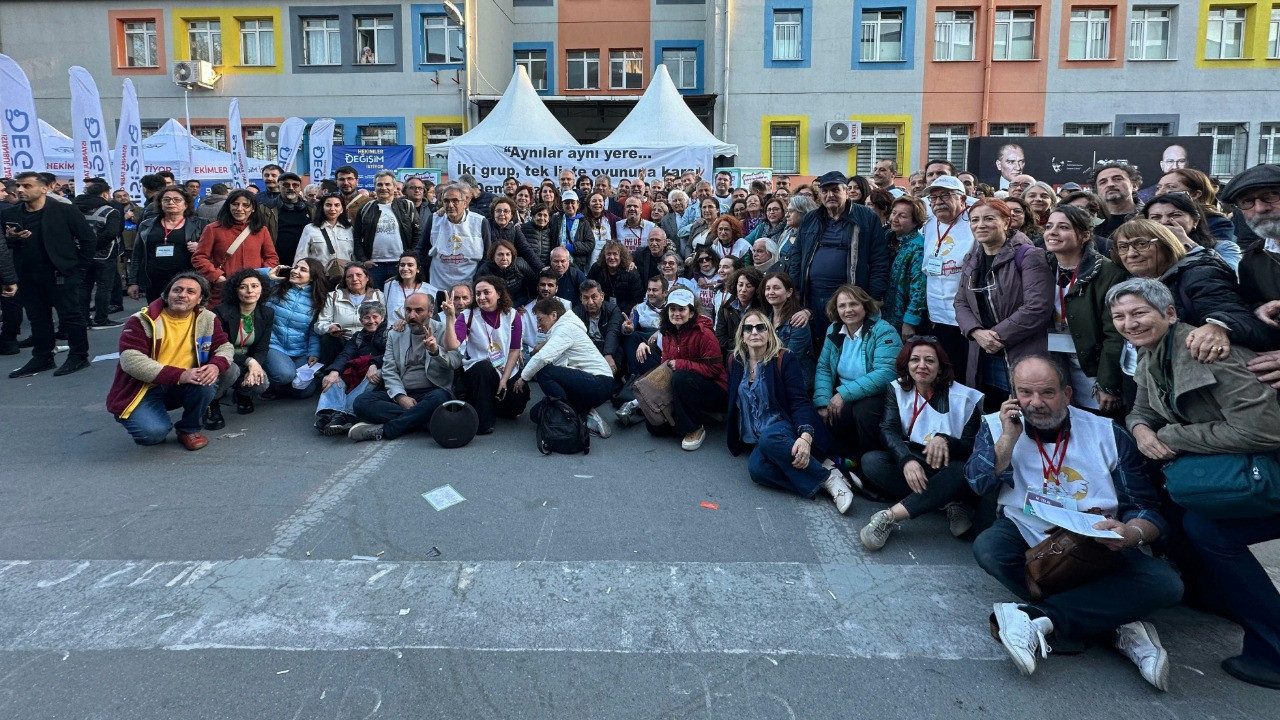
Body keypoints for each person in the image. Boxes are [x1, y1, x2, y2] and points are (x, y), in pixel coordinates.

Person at [966, 355, 1181, 688]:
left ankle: (1038, 618)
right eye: (1025, 393)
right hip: (1031, 538)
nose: (1035, 403)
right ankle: (1117, 621)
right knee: (989, 548)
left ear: (1068, 394)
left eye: (1047, 393)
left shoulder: (1108, 432)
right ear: (1013, 394)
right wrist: (1008, 440)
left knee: (1167, 585)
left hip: (1099, 542)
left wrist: (1131, 533)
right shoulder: (997, 426)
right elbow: (979, 484)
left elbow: (1145, 507)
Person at [1111, 277, 1280, 690]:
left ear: (1169, 313)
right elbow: (1141, 409)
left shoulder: (1208, 352)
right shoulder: (1154, 353)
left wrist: (1170, 437)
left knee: (1206, 530)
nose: (1129, 324)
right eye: (1119, 316)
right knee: (1201, 529)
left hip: (1268, 471)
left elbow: (1267, 430)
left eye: (1138, 313)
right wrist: (1140, 430)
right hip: (1248, 470)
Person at [858, 336, 984, 549]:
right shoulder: (897, 389)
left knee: (961, 472)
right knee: (872, 462)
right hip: (916, 458)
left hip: (949, 465)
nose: (921, 366)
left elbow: (972, 446)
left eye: (930, 361)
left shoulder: (965, 398)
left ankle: (890, 516)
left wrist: (945, 440)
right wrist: (906, 460)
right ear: (907, 364)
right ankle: (944, 500)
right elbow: (888, 429)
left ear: (941, 367)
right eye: (915, 359)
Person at [725, 309, 854, 512]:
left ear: (769, 332)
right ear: (742, 335)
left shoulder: (783, 359)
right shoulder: (735, 361)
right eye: (748, 328)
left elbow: (799, 401)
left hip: (781, 426)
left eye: (760, 327)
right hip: (756, 437)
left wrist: (805, 436)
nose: (754, 332)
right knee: (757, 470)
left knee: (770, 438)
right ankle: (822, 476)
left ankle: (830, 481)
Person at [1110, 219, 1275, 361]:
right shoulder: (1141, 284)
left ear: (1166, 244)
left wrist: (1218, 325)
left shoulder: (1198, 273)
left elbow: (1237, 314)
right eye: (1123, 247)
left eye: (1141, 244)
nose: (1131, 254)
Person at [106, 272, 232, 450]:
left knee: (215, 376)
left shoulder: (207, 318)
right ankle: (141, 414)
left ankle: (189, 429)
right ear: (167, 293)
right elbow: (131, 360)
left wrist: (215, 365)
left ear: (200, 298)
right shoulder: (142, 320)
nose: (182, 295)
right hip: (144, 388)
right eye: (177, 290)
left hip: (184, 383)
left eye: (190, 292)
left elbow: (224, 346)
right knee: (152, 435)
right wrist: (181, 374)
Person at [954, 198, 1053, 406]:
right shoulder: (972, 259)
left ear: (1006, 222)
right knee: (990, 411)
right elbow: (961, 302)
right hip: (981, 354)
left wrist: (997, 336)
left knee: (1023, 411)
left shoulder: (1029, 256)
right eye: (974, 220)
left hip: (1019, 351)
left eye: (989, 218)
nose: (980, 225)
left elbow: (1037, 307)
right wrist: (976, 333)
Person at [2, 171, 96, 378]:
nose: (19, 190)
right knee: (38, 317)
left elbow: (88, 240)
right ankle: (42, 356)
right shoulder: (10, 214)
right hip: (27, 274)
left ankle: (79, 355)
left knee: (71, 316)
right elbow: (5, 245)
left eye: (26, 186)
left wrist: (78, 270)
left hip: (61, 273)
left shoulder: (64, 211)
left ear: (45, 188)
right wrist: (13, 238)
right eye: (18, 186)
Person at [788, 171, 891, 349]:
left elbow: (879, 259)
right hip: (814, 297)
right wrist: (796, 290)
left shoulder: (866, 217)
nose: (830, 195)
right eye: (825, 191)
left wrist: (874, 296)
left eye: (835, 190)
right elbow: (797, 255)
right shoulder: (811, 218)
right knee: (820, 345)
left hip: (851, 298)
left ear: (846, 191)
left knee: (849, 346)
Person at [1042, 205, 1128, 413]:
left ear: (1084, 235)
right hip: (1058, 365)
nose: (1052, 232)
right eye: (1048, 226)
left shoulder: (1108, 273)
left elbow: (1115, 334)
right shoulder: (1041, 266)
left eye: (1063, 227)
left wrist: (1107, 382)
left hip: (1093, 369)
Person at [348, 293, 462, 442]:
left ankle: (386, 430)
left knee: (440, 398)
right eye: (408, 310)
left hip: (433, 391)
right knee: (361, 403)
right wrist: (400, 396)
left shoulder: (443, 330)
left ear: (430, 312)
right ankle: (425, 420)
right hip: (403, 391)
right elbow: (389, 370)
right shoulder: (396, 334)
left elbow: (455, 362)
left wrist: (435, 351)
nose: (412, 315)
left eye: (418, 310)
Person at [813, 283, 902, 462]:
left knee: (863, 411)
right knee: (828, 416)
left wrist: (843, 394)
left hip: (876, 394)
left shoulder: (883, 330)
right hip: (845, 393)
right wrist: (822, 402)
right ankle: (845, 461)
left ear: (865, 305)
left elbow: (886, 373)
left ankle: (870, 462)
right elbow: (823, 367)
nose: (848, 310)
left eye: (853, 304)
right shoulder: (834, 330)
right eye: (842, 306)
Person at [632, 288, 725, 450]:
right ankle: (699, 416)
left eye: (682, 309)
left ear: (691, 312)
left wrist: (682, 364)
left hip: (715, 388)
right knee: (654, 427)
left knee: (681, 377)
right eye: (672, 309)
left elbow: (715, 370)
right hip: (683, 386)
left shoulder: (704, 334)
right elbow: (666, 363)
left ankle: (694, 428)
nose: (677, 313)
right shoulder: (668, 332)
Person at [1218, 164, 1280, 389]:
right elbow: (1250, 302)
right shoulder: (1253, 258)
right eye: (1247, 202)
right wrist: (1259, 308)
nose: (1260, 208)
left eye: (1271, 196)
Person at [442, 275, 530, 434]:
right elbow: (451, 345)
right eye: (478, 293)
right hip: (479, 370)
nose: (481, 297)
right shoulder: (467, 315)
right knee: (484, 368)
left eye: (486, 292)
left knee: (518, 402)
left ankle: (490, 404)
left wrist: (504, 380)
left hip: (505, 368)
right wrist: (450, 318)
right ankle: (483, 422)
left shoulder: (512, 315)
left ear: (498, 293)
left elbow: (515, 349)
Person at [516, 296, 615, 437]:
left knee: (544, 372)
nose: (538, 325)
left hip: (599, 383)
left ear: (554, 315)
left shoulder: (566, 328)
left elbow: (543, 357)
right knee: (536, 414)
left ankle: (568, 416)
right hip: (588, 384)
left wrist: (523, 377)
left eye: (540, 319)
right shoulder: (561, 330)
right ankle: (585, 415)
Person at [920, 176, 977, 381]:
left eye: (945, 195)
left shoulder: (974, 220)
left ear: (962, 199)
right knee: (941, 372)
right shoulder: (930, 224)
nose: (938, 202)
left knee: (962, 373)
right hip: (936, 313)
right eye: (933, 198)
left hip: (965, 316)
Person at [191, 189, 279, 307]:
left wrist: (259, 277)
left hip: (252, 291)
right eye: (235, 204)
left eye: (245, 205)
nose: (239, 209)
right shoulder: (213, 229)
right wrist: (218, 277)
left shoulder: (261, 230)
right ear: (228, 206)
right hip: (223, 290)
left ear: (253, 209)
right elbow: (199, 258)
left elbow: (271, 257)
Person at [211, 268, 272, 422]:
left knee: (262, 383)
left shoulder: (267, 313)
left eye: (255, 286)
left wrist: (256, 364)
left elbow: (262, 347)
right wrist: (249, 362)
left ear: (261, 289)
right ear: (235, 290)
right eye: (243, 287)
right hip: (224, 358)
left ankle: (243, 392)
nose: (250, 291)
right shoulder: (221, 312)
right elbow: (220, 347)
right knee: (232, 370)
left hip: (248, 359)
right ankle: (212, 402)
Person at [128, 187, 208, 304]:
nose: (171, 202)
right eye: (166, 199)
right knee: (156, 316)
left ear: (186, 204)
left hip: (187, 281)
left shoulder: (200, 224)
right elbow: (137, 255)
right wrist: (133, 282)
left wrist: (200, 247)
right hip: (154, 281)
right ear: (160, 203)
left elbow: (214, 252)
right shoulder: (147, 225)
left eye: (177, 199)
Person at [263, 258, 328, 399]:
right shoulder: (276, 286)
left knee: (305, 391)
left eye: (302, 270)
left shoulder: (318, 299)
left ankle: (281, 384)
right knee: (284, 375)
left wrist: (314, 352)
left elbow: (313, 330)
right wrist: (268, 274)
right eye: (295, 267)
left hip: (299, 350)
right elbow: (245, 277)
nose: (295, 271)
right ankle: (272, 381)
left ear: (312, 278)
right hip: (273, 345)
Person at [418, 183, 492, 294]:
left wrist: (479, 278)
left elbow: (488, 253)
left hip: (469, 285)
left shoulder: (480, 221)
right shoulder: (434, 220)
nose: (450, 205)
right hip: (439, 285)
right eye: (446, 201)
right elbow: (422, 248)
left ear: (465, 203)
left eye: (455, 201)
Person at [1143, 191, 1242, 272]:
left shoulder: (1224, 247)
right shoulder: (1142, 250)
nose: (1164, 222)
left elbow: (1230, 276)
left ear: (1195, 220)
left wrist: (1187, 243)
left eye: (1175, 215)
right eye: (1155, 217)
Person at [354, 171, 421, 288]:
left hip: (400, 266)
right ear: (374, 187)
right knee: (375, 302)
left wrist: (409, 258)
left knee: (399, 301)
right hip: (374, 266)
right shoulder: (365, 208)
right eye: (379, 185)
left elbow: (418, 234)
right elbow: (357, 237)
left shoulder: (407, 206)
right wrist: (364, 260)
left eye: (387, 184)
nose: (383, 188)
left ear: (395, 187)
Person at [74, 180, 124, 329]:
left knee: (84, 287)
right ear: (104, 194)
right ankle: (101, 319)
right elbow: (111, 233)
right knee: (104, 287)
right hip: (104, 254)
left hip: (81, 253)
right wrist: (94, 245)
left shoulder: (76, 208)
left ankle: (83, 319)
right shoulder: (110, 211)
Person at [317, 262, 383, 363]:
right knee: (328, 339)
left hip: (368, 340)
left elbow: (385, 321)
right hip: (342, 340)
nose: (355, 279)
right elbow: (320, 324)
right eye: (349, 276)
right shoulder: (333, 296)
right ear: (345, 280)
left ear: (367, 278)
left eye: (359, 275)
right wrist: (330, 327)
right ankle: (328, 371)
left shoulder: (379, 296)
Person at [882, 196, 927, 338]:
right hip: (887, 314)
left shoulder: (918, 246)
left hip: (903, 319)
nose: (895, 218)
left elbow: (919, 288)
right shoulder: (890, 238)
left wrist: (910, 321)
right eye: (894, 213)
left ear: (915, 222)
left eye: (902, 216)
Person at [762, 271, 814, 387]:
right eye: (768, 288)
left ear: (789, 292)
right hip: (772, 376)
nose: (771, 292)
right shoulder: (766, 319)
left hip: (796, 381)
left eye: (776, 288)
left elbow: (790, 357)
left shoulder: (798, 320)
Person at [574, 280, 623, 378]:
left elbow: (612, 332)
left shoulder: (613, 310)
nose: (590, 302)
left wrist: (608, 354)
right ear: (581, 299)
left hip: (607, 346)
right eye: (586, 298)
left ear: (602, 296)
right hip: (587, 350)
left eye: (594, 297)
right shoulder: (576, 312)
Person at [714, 266, 764, 359]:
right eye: (740, 285)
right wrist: (742, 346)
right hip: (733, 357)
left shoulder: (762, 309)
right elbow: (720, 338)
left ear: (757, 289)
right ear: (735, 285)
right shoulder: (725, 307)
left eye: (749, 286)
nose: (743, 289)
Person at [296, 193, 354, 268]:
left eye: (337, 205)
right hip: (319, 276)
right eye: (328, 205)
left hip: (344, 275)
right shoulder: (310, 228)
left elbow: (354, 256)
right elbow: (301, 255)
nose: (332, 209)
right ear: (322, 208)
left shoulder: (349, 229)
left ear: (342, 209)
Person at [473, 238, 535, 307]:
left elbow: (533, 283)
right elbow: (477, 292)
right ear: (493, 256)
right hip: (495, 305)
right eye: (500, 255)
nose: (504, 258)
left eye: (508, 254)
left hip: (520, 302)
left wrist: (528, 305)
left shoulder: (520, 264)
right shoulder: (485, 270)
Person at [487, 196, 543, 272]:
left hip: (510, 269)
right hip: (489, 269)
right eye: (498, 211)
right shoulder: (486, 226)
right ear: (493, 213)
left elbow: (526, 249)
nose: (502, 214)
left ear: (512, 215)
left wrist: (541, 268)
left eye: (506, 211)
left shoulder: (515, 229)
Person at [586, 240, 643, 314]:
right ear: (604, 255)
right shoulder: (596, 268)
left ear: (621, 256)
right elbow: (588, 288)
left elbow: (636, 298)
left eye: (615, 254)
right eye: (608, 254)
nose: (612, 257)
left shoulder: (631, 271)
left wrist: (620, 314)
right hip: (602, 311)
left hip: (625, 313)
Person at [271, 173, 312, 267]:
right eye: (286, 185)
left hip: (305, 264)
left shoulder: (311, 209)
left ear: (300, 188)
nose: (291, 188)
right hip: (278, 264)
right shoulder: (267, 209)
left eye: (295, 185)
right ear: (279, 187)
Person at [382, 253, 435, 325]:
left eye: (410, 265)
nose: (405, 268)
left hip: (419, 332)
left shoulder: (431, 290)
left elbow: (432, 318)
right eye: (402, 265)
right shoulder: (389, 286)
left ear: (418, 269)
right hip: (392, 332)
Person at [1093, 163, 1142, 238]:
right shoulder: (1089, 220)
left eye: (1118, 179)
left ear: (1134, 186)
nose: (1110, 184)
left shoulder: (1150, 216)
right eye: (1103, 182)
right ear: (1097, 191)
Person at [579, 191, 619, 267]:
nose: (598, 203)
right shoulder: (582, 220)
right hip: (589, 258)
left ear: (604, 204)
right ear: (588, 205)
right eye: (594, 201)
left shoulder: (611, 218)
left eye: (600, 201)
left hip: (608, 257)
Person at [521, 203, 555, 270]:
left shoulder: (551, 232)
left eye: (545, 215)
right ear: (533, 217)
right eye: (539, 215)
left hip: (545, 270)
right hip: (526, 270)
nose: (542, 218)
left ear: (548, 219)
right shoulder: (523, 229)